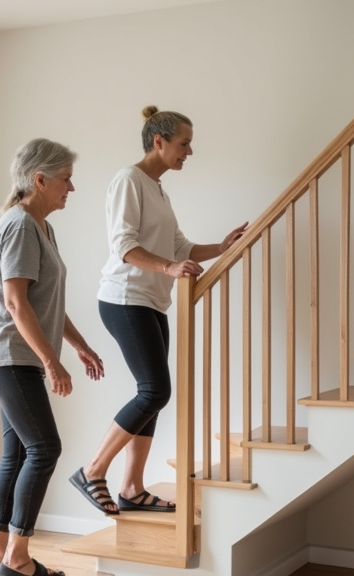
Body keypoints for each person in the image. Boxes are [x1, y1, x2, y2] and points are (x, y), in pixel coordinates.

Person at [69, 106, 247, 515]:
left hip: (152, 301)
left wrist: (222, 247)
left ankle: (132, 489)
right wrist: (168, 267)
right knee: (154, 391)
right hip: (125, 298)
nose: (189, 151)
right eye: (184, 143)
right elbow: (124, 246)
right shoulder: (129, 180)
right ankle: (93, 470)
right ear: (159, 141)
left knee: (151, 396)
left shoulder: (157, 188)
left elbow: (179, 246)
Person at [0, 138, 105, 576]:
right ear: (40, 179)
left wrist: (78, 345)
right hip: (8, 355)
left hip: (15, 356)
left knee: (17, 454)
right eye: (66, 179)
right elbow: (15, 303)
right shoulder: (19, 226)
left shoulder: (42, 228)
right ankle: (17, 558)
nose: (72, 187)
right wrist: (51, 361)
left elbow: (45, 301)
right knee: (45, 448)